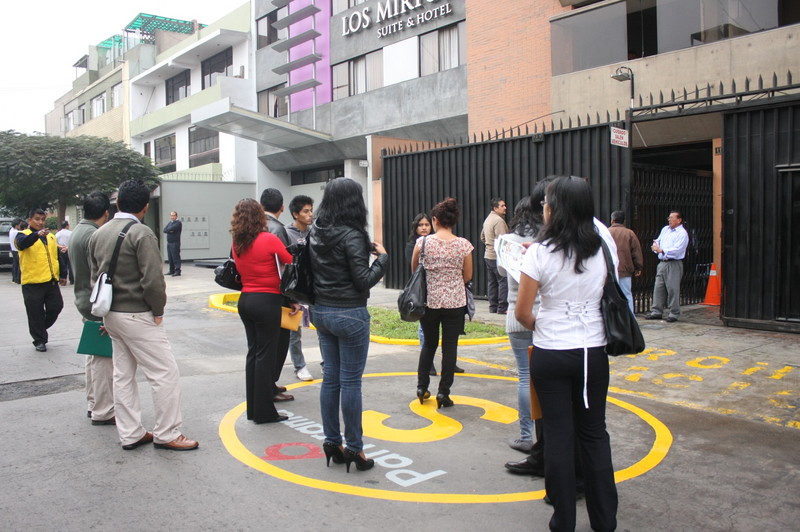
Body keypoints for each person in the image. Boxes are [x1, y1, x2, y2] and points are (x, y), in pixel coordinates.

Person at [516, 175, 617, 532]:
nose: (543, 209)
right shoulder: (602, 250)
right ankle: (605, 522)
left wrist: (546, 323)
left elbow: (523, 312)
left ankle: (563, 522)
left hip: (550, 352)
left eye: (546, 204)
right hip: (591, 353)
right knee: (594, 435)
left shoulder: (540, 253)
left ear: (555, 210)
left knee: (558, 436)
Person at [89, 179, 198, 451]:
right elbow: (153, 280)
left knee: (123, 374)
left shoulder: (98, 234)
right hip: (138, 314)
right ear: (145, 206)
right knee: (165, 373)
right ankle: (167, 432)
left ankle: (131, 433)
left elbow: (95, 277)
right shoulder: (142, 233)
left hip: (111, 314)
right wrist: (158, 311)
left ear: (118, 203)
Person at [308, 177, 388, 473]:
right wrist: (383, 259)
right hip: (350, 314)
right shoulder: (353, 234)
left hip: (321, 312)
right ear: (355, 202)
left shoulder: (316, 230)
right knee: (351, 382)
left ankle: (332, 442)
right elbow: (363, 280)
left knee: (331, 379)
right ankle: (355, 448)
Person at [230, 199, 298, 423]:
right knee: (265, 357)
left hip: (246, 300)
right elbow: (291, 262)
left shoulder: (236, 243)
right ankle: (264, 412)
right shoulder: (268, 239)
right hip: (267, 301)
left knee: (253, 354)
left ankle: (254, 409)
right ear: (259, 216)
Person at [413, 198, 473, 410]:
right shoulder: (464, 245)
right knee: (450, 347)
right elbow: (467, 276)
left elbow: (415, 271)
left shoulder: (423, 242)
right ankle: (443, 393)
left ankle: (422, 387)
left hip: (429, 302)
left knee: (429, 344)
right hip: (455, 302)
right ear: (453, 221)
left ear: (435, 220)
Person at [498, 195, 544, 455]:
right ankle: (545, 435)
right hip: (542, 318)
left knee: (525, 377)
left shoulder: (506, 241)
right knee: (545, 379)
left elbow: (503, 273)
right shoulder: (546, 243)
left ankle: (526, 435)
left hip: (516, 317)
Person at [69, 192, 115, 425]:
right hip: (95, 304)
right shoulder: (95, 235)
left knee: (93, 354)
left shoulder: (78, 231)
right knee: (103, 359)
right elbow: (100, 274)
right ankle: (103, 409)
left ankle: (92, 402)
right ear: (105, 213)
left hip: (83, 300)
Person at [406, 213, 466, 376]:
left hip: (441, 298)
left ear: (434, 223)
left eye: (426, 224)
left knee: (445, 342)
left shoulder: (438, 242)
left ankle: (429, 380)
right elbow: (414, 271)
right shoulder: (416, 244)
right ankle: (432, 370)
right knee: (428, 338)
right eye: (421, 225)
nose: (424, 228)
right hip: (424, 294)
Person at [15, 209, 67, 352]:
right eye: (37, 219)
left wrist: (63, 274)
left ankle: (39, 328)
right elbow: (23, 244)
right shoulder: (22, 235)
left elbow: (56, 256)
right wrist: (36, 235)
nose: (40, 222)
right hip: (32, 282)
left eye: (43, 219)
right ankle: (39, 340)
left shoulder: (50, 237)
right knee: (35, 312)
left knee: (56, 307)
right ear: (30, 220)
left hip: (50, 281)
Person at [260, 188, 293, 396]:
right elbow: (286, 267)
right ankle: (269, 385)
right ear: (282, 207)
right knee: (279, 343)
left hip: (253, 294)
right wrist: (292, 297)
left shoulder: (251, 226)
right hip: (275, 294)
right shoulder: (278, 230)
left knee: (262, 346)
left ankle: (266, 386)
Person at [285, 194, 315, 382]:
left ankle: (326, 364)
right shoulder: (286, 233)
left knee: (321, 326)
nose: (310, 214)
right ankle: (299, 365)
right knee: (294, 331)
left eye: (311, 210)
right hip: (296, 288)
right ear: (295, 214)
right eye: (306, 211)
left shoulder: (315, 232)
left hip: (314, 286)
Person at [646, 210, 689, 323]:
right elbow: (657, 241)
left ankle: (674, 313)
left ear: (679, 220)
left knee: (673, 289)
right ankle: (656, 311)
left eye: (672, 218)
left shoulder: (682, 233)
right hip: (662, 262)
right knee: (659, 287)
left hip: (674, 263)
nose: (669, 220)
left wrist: (662, 250)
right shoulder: (665, 229)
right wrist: (656, 248)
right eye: (669, 218)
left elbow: (677, 250)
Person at [609, 210, 643, 314]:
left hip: (609, 270)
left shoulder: (606, 232)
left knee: (611, 295)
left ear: (612, 220)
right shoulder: (629, 233)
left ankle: (613, 318)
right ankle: (630, 318)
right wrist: (638, 267)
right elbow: (636, 251)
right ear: (624, 221)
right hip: (625, 270)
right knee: (627, 294)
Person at [481, 197, 508, 314]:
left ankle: (493, 307)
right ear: (495, 208)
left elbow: (482, 237)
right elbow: (504, 239)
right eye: (502, 206)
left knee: (492, 282)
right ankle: (502, 307)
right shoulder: (498, 221)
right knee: (503, 281)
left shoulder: (488, 219)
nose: (505, 207)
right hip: (497, 256)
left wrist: (489, 245)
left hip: (488, 254)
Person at [163, 211, 182, 276]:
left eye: (173, 215)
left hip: (175, 243)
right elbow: (165, 230)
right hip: (169, 242)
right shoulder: (170, 223)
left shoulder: (178, 223)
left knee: (175, 257)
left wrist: (170, 230)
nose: (172, 217)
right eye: (171, 215)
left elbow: (171, 228)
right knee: (170, 257)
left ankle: (178, 270)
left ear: (176, 216)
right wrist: (170, 231)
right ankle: (171, 270)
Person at [9, 218, 25, 284]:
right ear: (16, 226)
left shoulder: (11, 230)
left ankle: (14, 278)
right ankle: (18, 279)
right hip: (17, 250)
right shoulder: (17, 232)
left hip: (13, 249)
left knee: (15, 264)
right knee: (19, 265)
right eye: (19, 225)